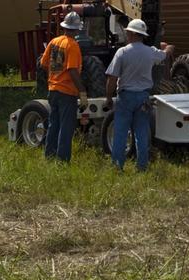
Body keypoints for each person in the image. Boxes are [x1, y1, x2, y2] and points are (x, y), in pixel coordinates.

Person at [104, 19, 173, 172]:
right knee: (142, 133)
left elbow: (112, 78)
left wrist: (108, 97)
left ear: (134, 34)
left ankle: (117, 166)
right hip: (143, 97)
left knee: (121, 133)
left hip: (126, 97)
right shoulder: (150, 52)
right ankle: (142, 166)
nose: (127, 35)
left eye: (128, 32)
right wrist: (169, 49)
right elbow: (164, 55)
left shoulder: (122, 52)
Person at [41, 11, 87, 162]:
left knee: (53, 124)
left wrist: (55, 76)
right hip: (67, 92)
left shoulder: (54, 42)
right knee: (66, 127)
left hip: (53, 90)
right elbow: (72, 70)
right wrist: (82, 91)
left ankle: (49, 156)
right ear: (77, 29)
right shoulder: (72, 45)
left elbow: (43, 63)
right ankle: (62, 160)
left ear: (65, 27)